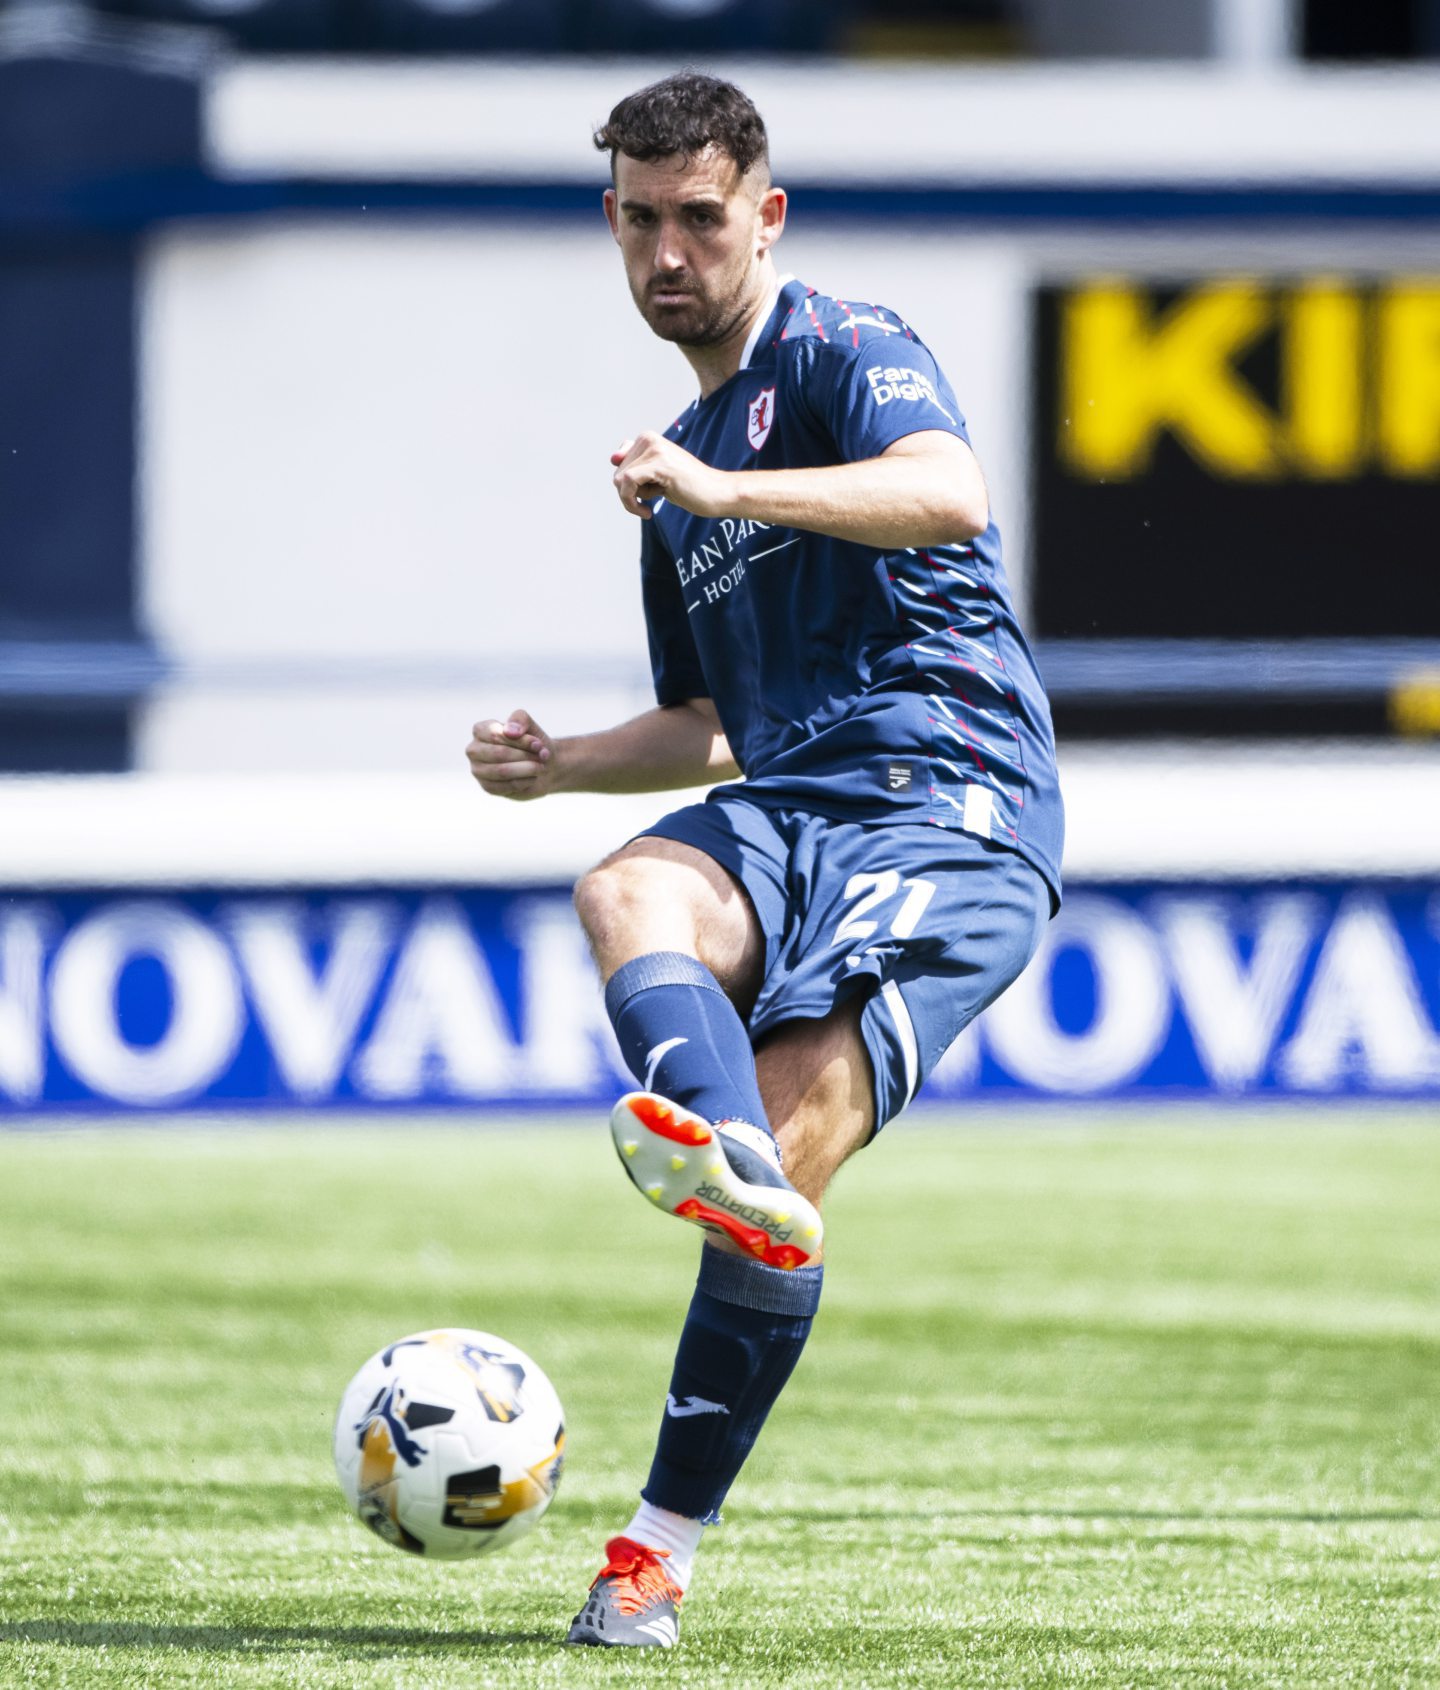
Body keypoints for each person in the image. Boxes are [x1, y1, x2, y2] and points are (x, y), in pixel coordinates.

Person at [467, 71, 1063, 1649]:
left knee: (789, 1152)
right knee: (624, 885)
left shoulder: (841, 348)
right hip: (800, 789)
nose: (670, 253)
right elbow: (715, 720)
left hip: (952, 792)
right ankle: (728, 1160)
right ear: (613, 222)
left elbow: (953, 494)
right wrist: (561, 769)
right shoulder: (679, 476)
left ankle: (649, 1557)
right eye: (640, 221)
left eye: (701, 219)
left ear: (765, 216)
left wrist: (728, 485)